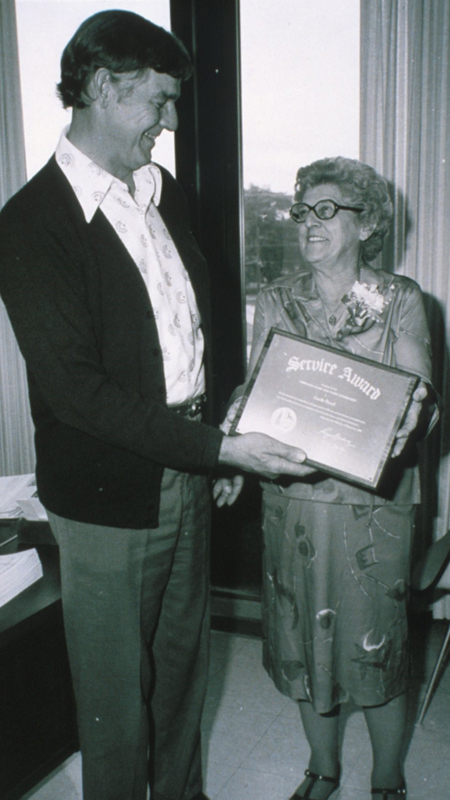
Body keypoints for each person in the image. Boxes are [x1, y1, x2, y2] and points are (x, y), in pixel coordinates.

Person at [0, 11, 313, 800]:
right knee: (114, 701)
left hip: (189, 464)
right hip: (106, 490)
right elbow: (75, 390)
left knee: (181, 671)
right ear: (104, 88)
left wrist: (223, 433)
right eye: (159, 101)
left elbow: (193, 328)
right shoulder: (32, 222)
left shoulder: (162, 193)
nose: (170, 122)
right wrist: (217, 450)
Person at [218, 157, 437, 800]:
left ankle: (388, 777)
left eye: (325, 210)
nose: (307, 223)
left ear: (366, 225)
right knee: (301, 644)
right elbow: (259, 384)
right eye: (301, 211)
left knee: (376, 648)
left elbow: (421, 387)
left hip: (374, 507)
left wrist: (416, 412)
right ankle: (322, 768)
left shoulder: (399, 298)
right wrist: (235, 426)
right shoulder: (278, 298)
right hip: (294, 500)